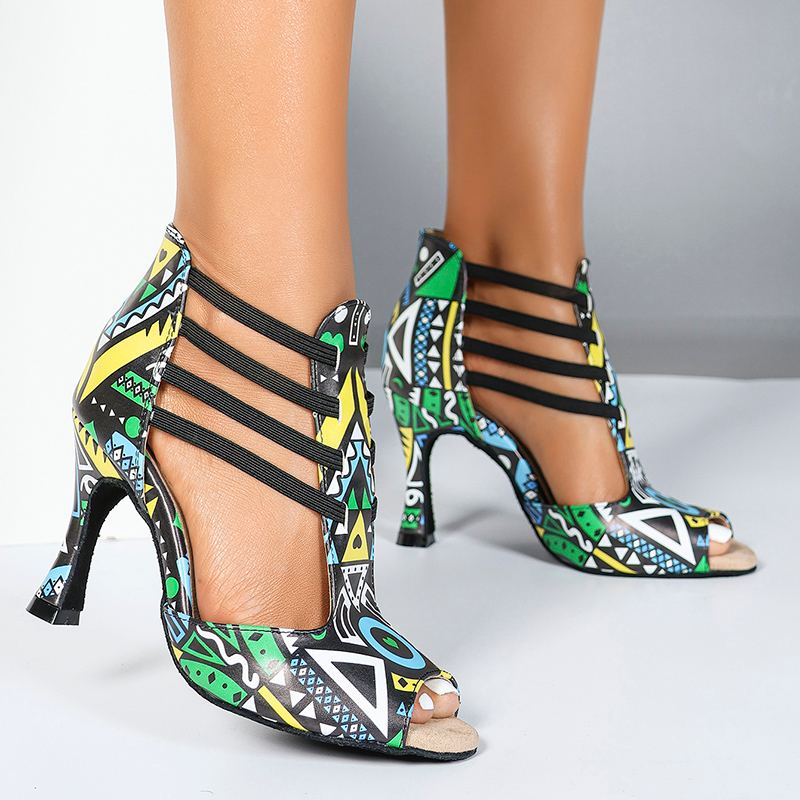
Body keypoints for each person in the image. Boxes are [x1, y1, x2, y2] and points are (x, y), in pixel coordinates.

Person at [29, 0, 754, 761]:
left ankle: (505, 300)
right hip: (227, 350)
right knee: (259, 262)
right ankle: (230, 323)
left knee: (518, 246)